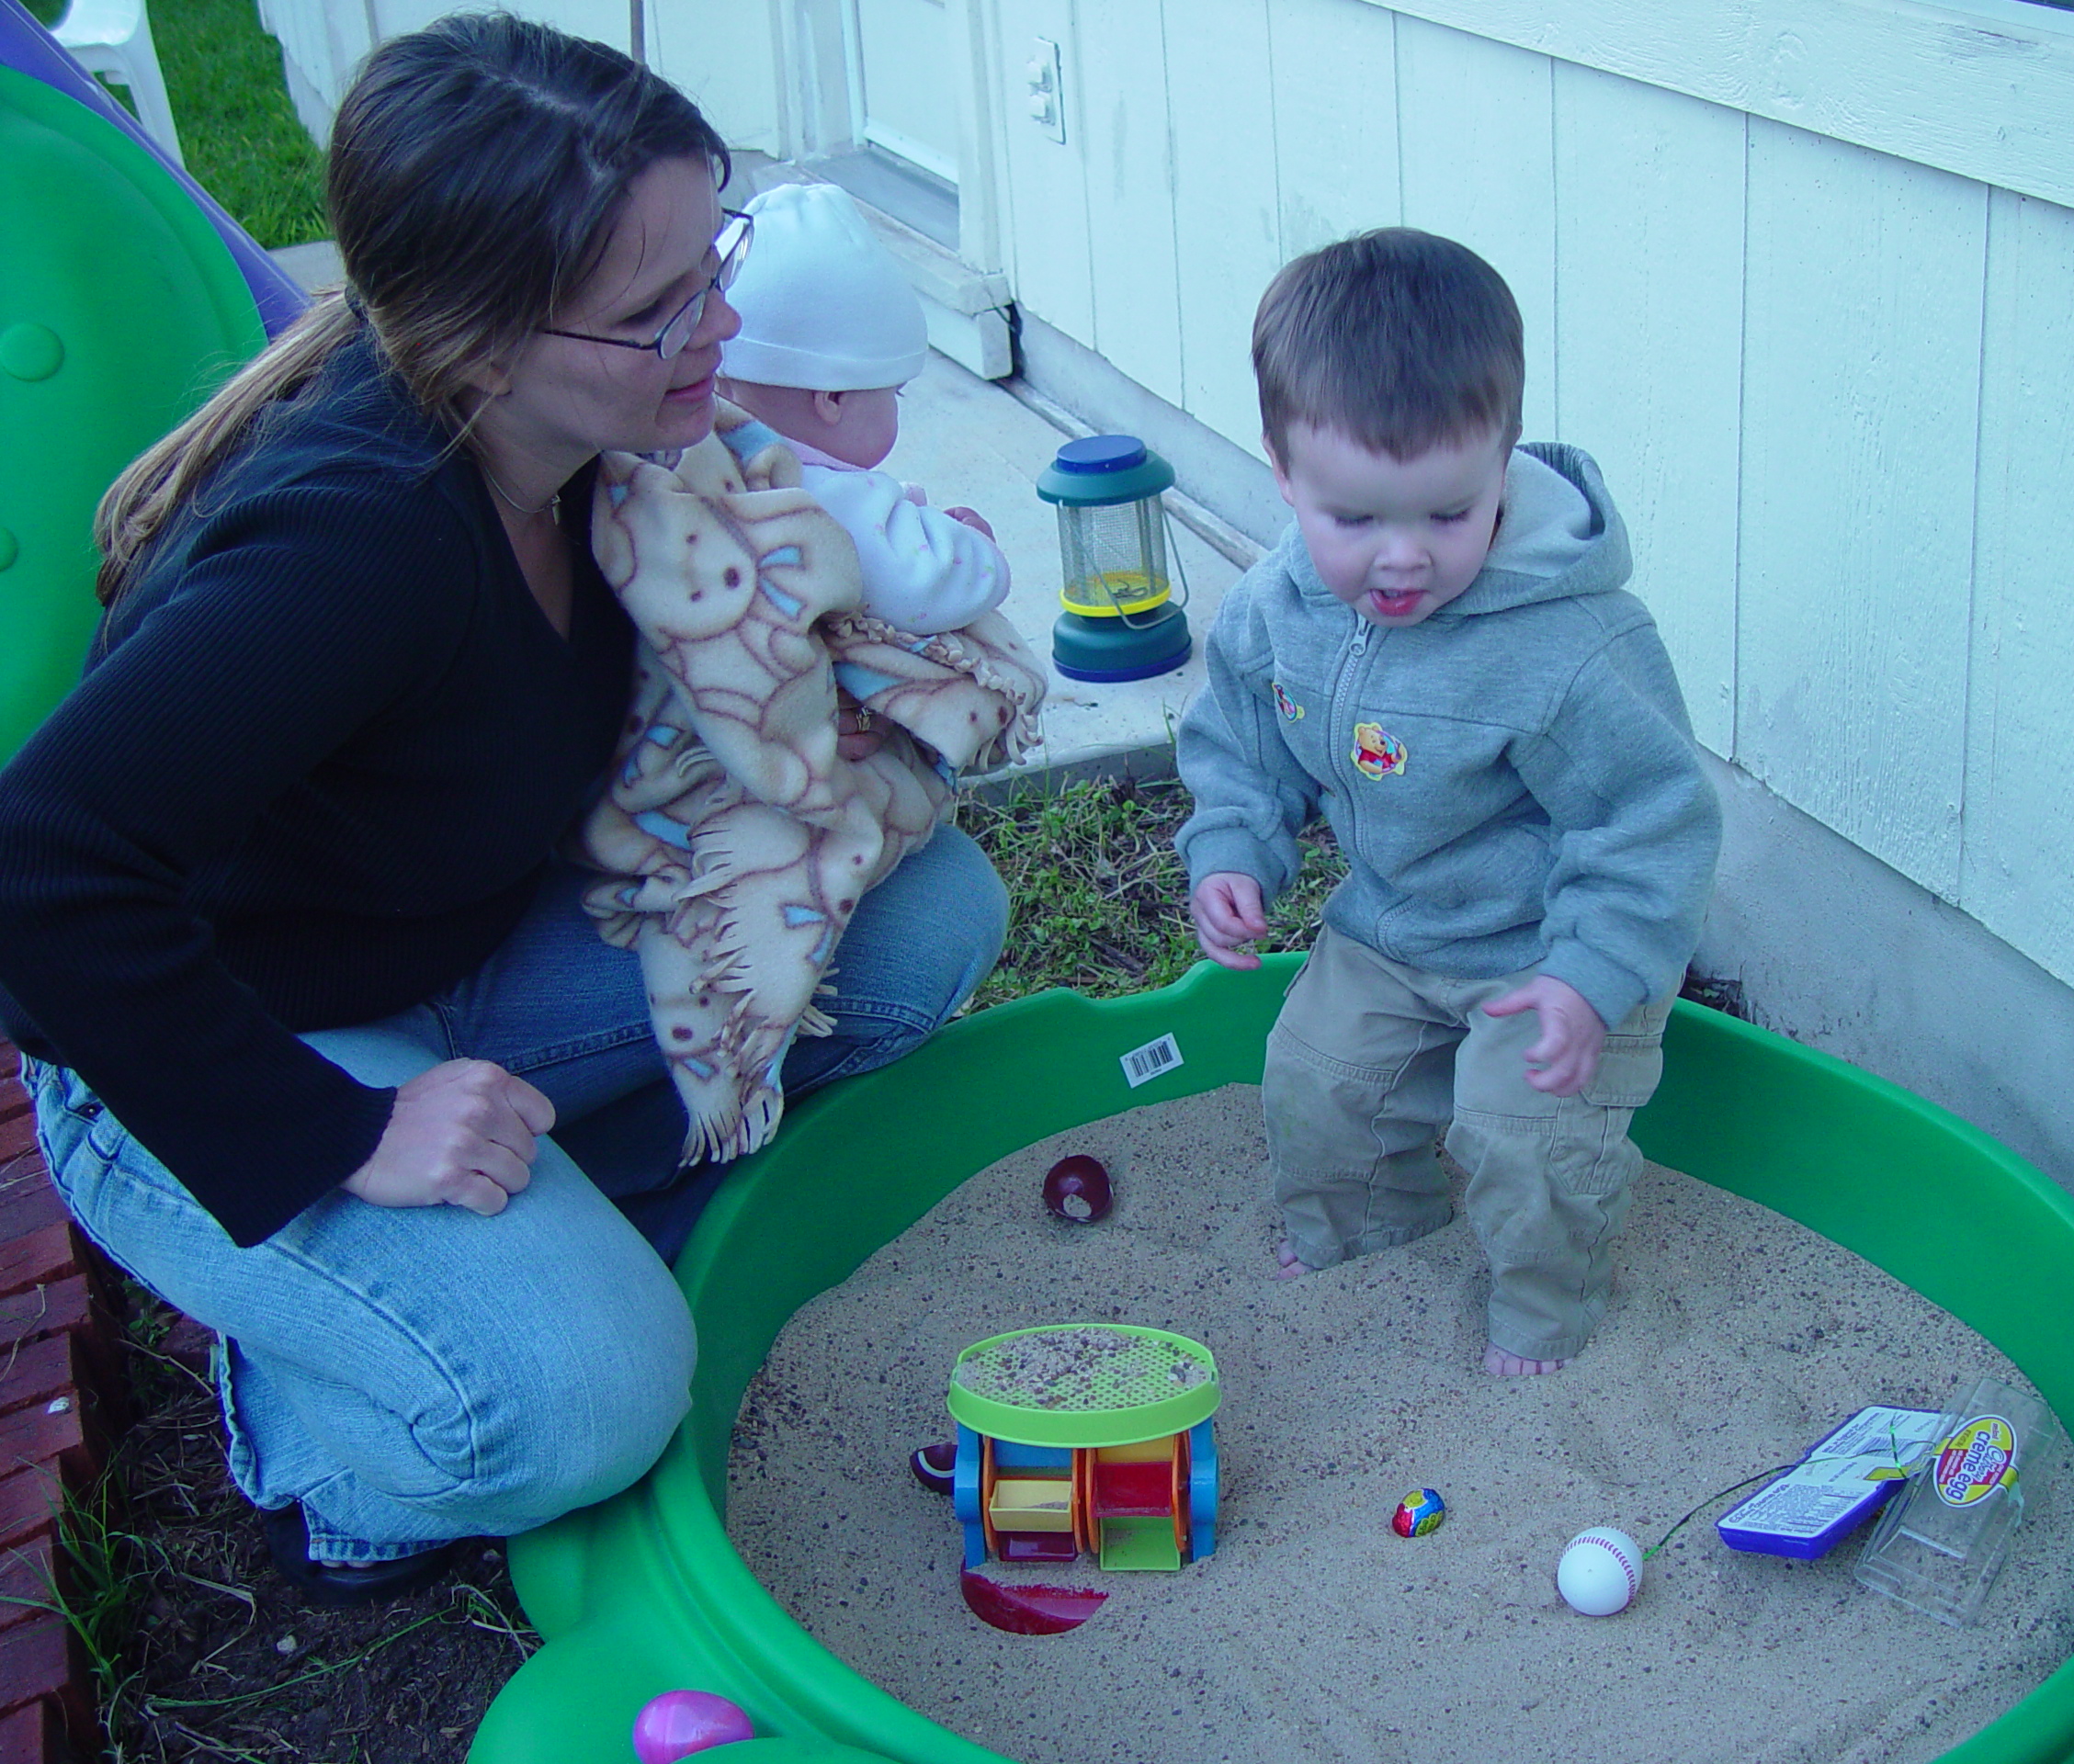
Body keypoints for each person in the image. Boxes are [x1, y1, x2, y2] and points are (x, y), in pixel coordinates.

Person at [0, 15, 1007, 1605]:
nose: (720, 325)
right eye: (656, 308)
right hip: (224, 1046)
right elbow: (37, 868)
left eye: (711, 260)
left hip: (437, 955)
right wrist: (346, 1134)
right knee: (586, 1398)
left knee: (917, 915)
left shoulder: (600, 447)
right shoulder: (356, 544)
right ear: (480, 342)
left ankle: (515, 1256)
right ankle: (328, 1440)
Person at [1175, 229, 1720, 1376]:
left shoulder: (1569, 645)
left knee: (1521, 1140)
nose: (1401, 560)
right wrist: (1232, 847)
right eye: (1356, 519)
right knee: (1318, 1086)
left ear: (1502, 467)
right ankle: (1374, 1224)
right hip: (1392, 930)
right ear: (1283, 473)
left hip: (1548, 953)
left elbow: (1648, 821)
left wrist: (1588, 979)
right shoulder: (1279, 605)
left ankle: (1544, 1309)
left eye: (1446, 514)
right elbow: (1239, 736)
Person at [713, 180, 1007, 637]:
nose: (896, 407)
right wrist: (973, 549)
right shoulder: (819, 498)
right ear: (831, 398)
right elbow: (926, 589)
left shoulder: (716, 456)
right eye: (894, 394)